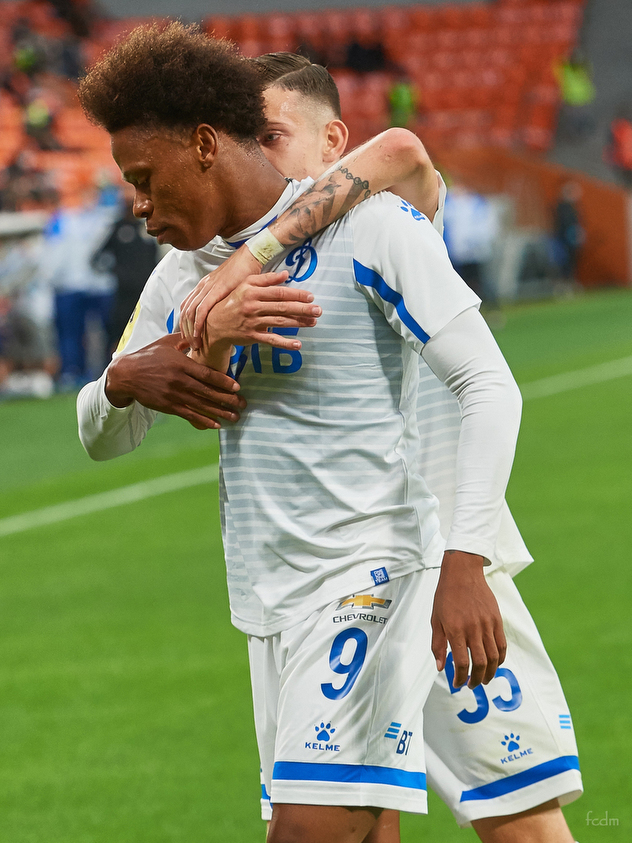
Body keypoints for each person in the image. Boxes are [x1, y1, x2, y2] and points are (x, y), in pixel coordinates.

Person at [75, 23, 552, 842]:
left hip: (374, 574)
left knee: (316, 830)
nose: (140, 206)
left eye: (144, 180)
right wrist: (124, 381)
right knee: (370, 828)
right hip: (270, 601)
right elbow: (103, 434)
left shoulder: (369, 226)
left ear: (203, 144)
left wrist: (466, 560)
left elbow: (488, 384)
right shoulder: (178, 276)